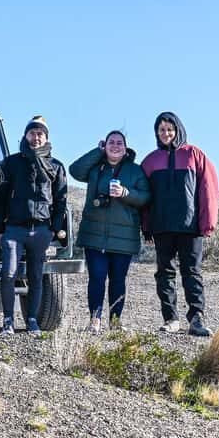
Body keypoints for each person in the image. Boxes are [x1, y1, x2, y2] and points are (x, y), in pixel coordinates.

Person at [141, 112, 219, 337]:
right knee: (164, 273)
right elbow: (144, 196)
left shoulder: (194, 154)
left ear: (178, 130)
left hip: (190, 227)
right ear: (156, 133)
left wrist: (207, 222)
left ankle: (196, 318)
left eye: (170, 129)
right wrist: (146, 226)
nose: (166, 133)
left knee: (192, 272)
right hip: (162, 226)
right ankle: (171, 319)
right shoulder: (150, 161)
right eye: (161, 130)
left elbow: (208, 189)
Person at [70, 131, 151, 333]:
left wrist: (125, 193)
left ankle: (115, 322)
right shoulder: (95, 167)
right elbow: (75, 171)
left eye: (119, 143)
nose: (115, 146)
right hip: (94, 235)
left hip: (124, 238)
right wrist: (96, 152)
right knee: (96, 278)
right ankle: (95, 320)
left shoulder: (135, 171)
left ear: (125, 148)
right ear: (104, 146)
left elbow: (145, 197)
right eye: (111, 142)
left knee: (118, 281)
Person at [0, 116, 68, 336]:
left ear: (46, 137)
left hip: (42, 229)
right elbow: (0, 197)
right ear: (25, 136)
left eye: (40, 134)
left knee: (36, 276)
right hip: (14, 229)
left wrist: (54, 228)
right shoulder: (11, 163)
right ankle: (8, 320)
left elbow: (61, 200)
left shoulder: (56, 166)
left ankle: (32, 321)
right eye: (32, 133)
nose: (36, 137)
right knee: (8, 273)